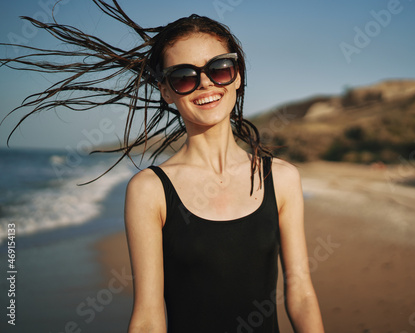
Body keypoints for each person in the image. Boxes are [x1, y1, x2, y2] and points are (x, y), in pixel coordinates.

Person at [1, 2, 324, 332]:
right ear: (166, 91)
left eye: (219, 68)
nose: (205, 84)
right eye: (184, 76)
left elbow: (300, 293)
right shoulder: (150, 190)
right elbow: (148, 316)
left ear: (237, 75)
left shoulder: (281, 178)